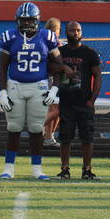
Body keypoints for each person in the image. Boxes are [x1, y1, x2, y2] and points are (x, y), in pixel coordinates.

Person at [0, 2, 71, 180]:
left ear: (37, 20)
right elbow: (2, 68)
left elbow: (60, 66)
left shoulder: (47, 37)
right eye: (23, 20)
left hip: (39, 86)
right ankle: (9, 168)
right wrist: (2, 92)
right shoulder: (9, 37)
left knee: (36, 129)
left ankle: (37, 169)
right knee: (13, 127)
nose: (26, 24)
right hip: (15, 85)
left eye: (29, 20)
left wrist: (54, 89)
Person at [55, 21, 102, 180]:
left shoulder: (89, 52)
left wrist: (92, 99)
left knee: (87, 137)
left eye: (78, 30)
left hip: (84, 102)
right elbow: (50, 69)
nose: (75, 33)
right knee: (65, 137)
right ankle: (65, 169)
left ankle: (87, 169)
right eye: (72, 30)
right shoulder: (59, 52)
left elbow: (98, 76)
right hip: (66, 101)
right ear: (66, 32)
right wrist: (63, 68)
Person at [43, 17, 62, 148]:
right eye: (55, 29)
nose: (56, 32)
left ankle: (49, 135)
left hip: (58, 79)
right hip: (49, 78)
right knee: (53, 108)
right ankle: (46, 135)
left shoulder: (58, 43)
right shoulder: (49, 43)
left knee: (59, 109)